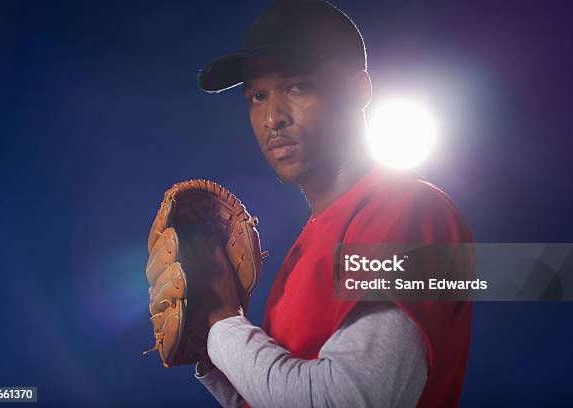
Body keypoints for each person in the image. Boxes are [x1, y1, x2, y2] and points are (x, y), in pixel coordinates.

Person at [192, 1, 473, 407]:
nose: (273, 117)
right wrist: (210, 350)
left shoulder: (411, 211)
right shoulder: (310, 241)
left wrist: (224, 322)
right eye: (257, 95)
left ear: (359, 90)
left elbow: (347, 400)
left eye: (297, 86)